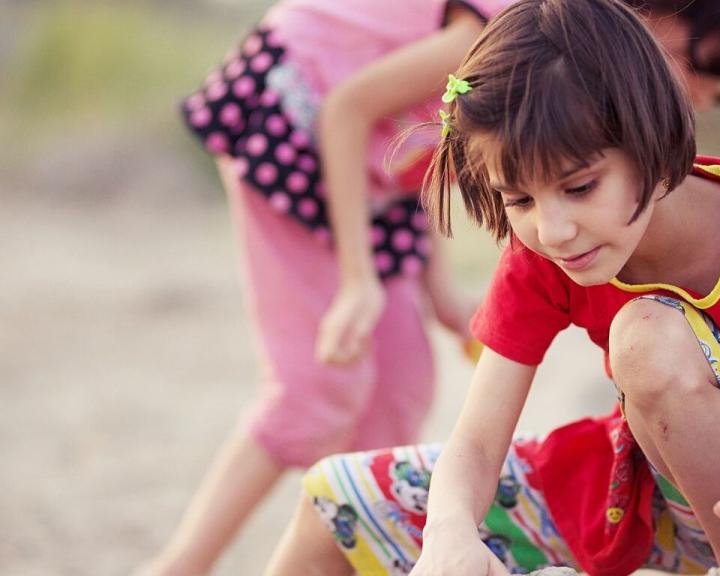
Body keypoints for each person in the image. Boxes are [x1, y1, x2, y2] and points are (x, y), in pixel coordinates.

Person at [266, 0, 720, 574]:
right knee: (333, 501)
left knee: (644, 335)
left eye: (580, 186)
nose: (553, 228)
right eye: (518, 199)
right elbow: (475, 445)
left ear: (651, 139)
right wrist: (449, 534)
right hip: (637, 489)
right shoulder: (546, 250)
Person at [137, 2, 524, 575]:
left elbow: (426, 145)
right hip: (296, 118)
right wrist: (356, 280)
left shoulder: (550, 53)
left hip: (372, 169)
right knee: (320, 382)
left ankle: (348, 542)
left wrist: (439, 289)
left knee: (400, 381)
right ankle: (180, 566)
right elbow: (346, 109)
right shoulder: (498, 27)